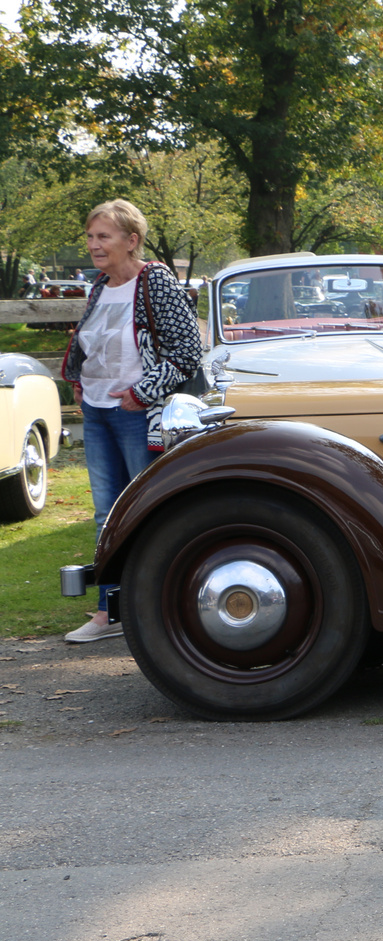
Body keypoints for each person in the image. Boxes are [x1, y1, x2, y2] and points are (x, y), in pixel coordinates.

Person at [60, 199, 204, 643]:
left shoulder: (154, 281)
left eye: (104, 236)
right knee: (107, 514)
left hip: (136, 415)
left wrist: (142, 393)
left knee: (147, 510)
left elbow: (186, 351)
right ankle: (110, 612)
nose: (94, 245)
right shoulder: (100, 285)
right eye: (90, 236)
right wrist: (77, 378)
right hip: (99, 412)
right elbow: (92, 343)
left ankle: (156, 607)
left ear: (132, 240)